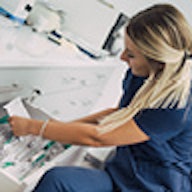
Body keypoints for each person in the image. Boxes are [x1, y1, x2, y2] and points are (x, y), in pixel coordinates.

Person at [9, 4, 192, 192]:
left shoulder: (178, 104)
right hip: (122, 175)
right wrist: (61, 129)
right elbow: (119, 114)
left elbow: (98, 138)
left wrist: (35, 127)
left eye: (130, 54)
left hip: (154, 186)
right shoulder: (141, 74)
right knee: (57, 180)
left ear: (157, 60)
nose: (122, 57)